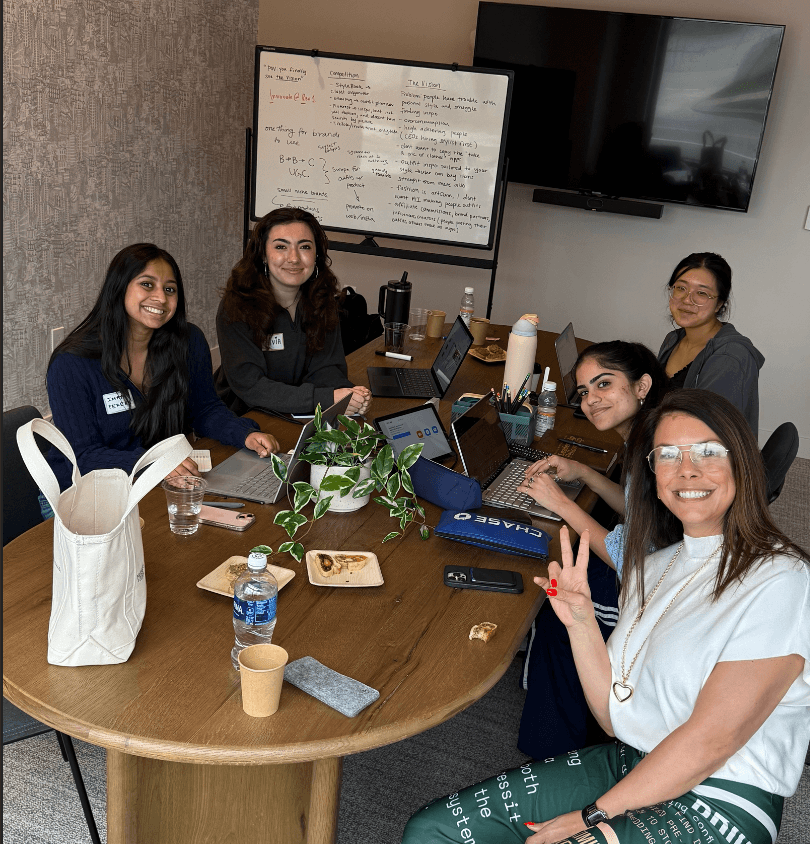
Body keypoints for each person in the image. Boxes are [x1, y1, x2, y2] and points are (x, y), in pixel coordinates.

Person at [402, 390, 809, 844]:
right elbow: (614, 719)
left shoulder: (781, 578)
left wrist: (592, 815)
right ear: (653, 473)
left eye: (708, 452)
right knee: (430, 831)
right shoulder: (654, 568)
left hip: (722, 797)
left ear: (742, 464)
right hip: (632, 759)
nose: (687, 469)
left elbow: (713, 740)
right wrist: (580, 621)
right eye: (668, 455)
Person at [513, 341, 671, 759]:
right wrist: (584, 473)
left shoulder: (653, 449)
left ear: (642, 386)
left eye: (604, 384)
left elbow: (629, 556)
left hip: (654, 595)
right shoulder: (651, 432)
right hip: (659, 570)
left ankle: (555, 755)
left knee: (556, 610)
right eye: (583, 392)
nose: (591, 400)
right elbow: (641, 514)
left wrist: (562, 504)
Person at [46, 243, 279, 496]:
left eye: (170, 289)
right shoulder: (71, 363)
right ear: (119, 287)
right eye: (147, 284)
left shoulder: (188, 342)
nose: (160, 298)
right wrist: (155, 465)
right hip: (84, 495)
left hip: (156, 482)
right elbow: (84, 455)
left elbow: (204, 410)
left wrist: (243, 434)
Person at [215, 207, 371, 417]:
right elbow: (251, 386)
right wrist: (325, 399)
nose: (294, 258)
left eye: (304, 246)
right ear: (262, 253)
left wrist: (348, 396)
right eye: (281, 246)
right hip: (245, 417)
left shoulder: (323, 301)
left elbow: (327, 369)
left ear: (316, 254)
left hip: (303, 414)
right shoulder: (236, 307)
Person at [658, 251, 763, 432]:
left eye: (701, 293)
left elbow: (704, 431)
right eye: (681, 288)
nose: (687, 300)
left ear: (720, 303)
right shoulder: (673, 339)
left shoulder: (730, 357)